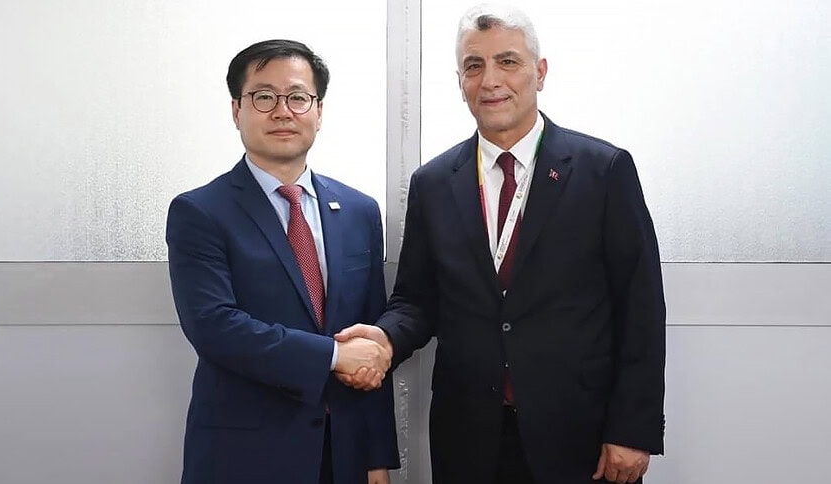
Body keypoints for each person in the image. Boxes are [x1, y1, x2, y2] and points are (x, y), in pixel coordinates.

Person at [337, 4, 665, 484]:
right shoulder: (433, 183)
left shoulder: (603, 170)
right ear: (460, 82)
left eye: (507, 61)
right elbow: (417, 299)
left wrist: (633, 429)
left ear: (540, 71)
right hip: (470, 438)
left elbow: (641, 306)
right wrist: (385, 339)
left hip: (581, 434)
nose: (490, 80)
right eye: (474, 66)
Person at [166, 39, 398, 484]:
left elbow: (368, 337)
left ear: (319, 111)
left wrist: (376, 458)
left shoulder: (359, 210)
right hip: (245, 457)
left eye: (297, 97)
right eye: (264, 97)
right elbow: (214, 327)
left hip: (343, 454)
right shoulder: (200, 212)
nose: (282, 111)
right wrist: (334, 356)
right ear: (237, 110)